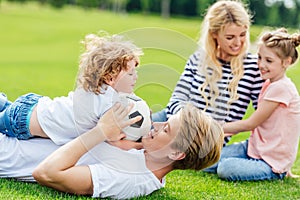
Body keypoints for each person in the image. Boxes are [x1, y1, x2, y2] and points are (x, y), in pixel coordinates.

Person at [0, 103, 224, 199]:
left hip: (8, 148)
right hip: (20, 118)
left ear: (176, 154)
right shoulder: (145, 153)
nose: (156, 126)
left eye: (166, 130)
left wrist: (101, 132)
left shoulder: (130, 180)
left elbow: (47, 172)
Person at [0, 32, 146, 145]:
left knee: (5, 105)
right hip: (22, 122)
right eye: (131, 73)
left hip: (32, 107)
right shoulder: (107, 104)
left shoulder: (97, 88)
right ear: (110, 78)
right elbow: (111, 137)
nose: (136, 77)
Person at [152, 0, 264, 145]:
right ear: (214, 34)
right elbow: (177, 99)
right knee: (131, 130)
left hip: (207, 142)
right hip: (174, 122)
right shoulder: (198, 59)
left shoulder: (253, 67)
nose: (238, 42)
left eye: (242, 34)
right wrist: (186, 123)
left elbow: (264, 113)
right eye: (230, 37)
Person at [206, 28, 300, 181]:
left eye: (268, 61)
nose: (261, 65)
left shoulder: (281, 88)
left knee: (225, 168)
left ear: (286, 62)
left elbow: (251, 124)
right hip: (253, 148)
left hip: (269, 161)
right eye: (259, 58)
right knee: (206, 160)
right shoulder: (270, 83)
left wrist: (215, 128)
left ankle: (276, 173)